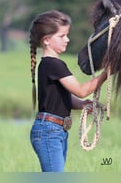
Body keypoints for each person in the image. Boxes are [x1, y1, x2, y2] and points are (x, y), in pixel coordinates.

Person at [29, 10, 107, 172]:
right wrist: (108, 72)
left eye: (67, 35)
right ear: (47, 40)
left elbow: (61, 98)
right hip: (50, 131)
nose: (67, 40)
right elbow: (81, 90)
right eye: (62, 36)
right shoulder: (53, 65)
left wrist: (82, 104)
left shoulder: (48, 64)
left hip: (54, 130)